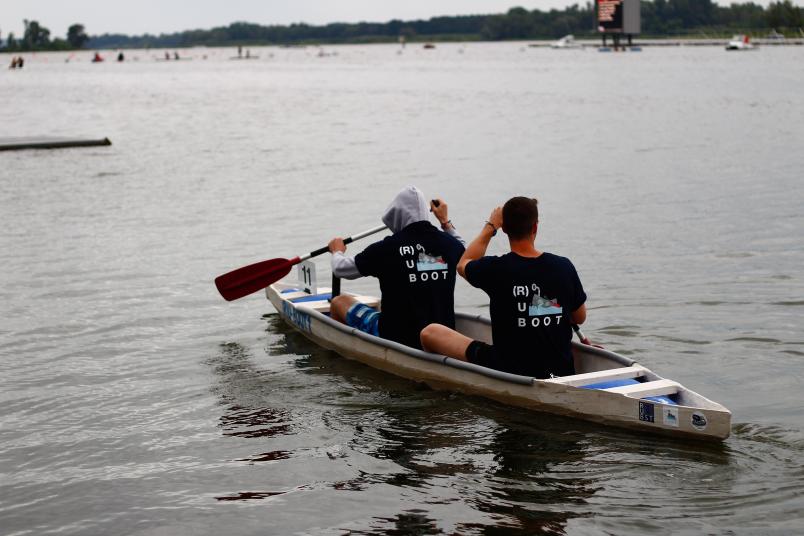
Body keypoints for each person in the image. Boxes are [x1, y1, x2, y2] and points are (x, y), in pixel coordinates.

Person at [420, 196, 587, 379]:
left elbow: (463, 264)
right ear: (535, 227)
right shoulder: (563, 266)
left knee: (430, 332)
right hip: (561, 370)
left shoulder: (496, 268)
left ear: (505, 229)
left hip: (507, 368)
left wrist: (490, 227)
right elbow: (579, 317)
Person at [327, 186, 465, 349]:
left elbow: (340, 269)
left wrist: (337, 251)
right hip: (441, 338)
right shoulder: (449, 246)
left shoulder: (386, 249)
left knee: (338, 301)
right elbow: (465, 251)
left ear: (397, 215)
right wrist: (445, 222)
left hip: (394, 337)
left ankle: (341, 359)